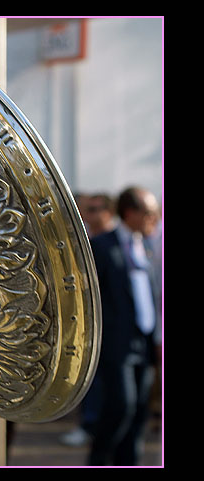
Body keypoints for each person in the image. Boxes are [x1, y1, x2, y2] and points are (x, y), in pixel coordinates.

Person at [87, 186, 161, 466]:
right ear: (130, 213)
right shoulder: (104, 245)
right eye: (149, 212)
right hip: (116, 344)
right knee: (121, 405)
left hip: (143, 340)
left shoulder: (148, 246)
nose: (154, 217)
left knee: (139, 412)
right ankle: (98, 459)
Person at [61, 192, 116, 447]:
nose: (87, 215)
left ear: (109, 211)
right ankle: (90, 425)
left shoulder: (112, 243)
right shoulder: (87, 241)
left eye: (94, 209)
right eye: (85, 210)